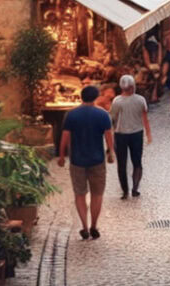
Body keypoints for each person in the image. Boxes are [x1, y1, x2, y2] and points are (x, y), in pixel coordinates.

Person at [58, 85, 114, 240]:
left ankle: (84, 226)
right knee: (97, 194)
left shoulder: (71, 115)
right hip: (97, 159)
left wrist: (62, 156)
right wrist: (111, 152)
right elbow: (109, 136)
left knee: (80, 194)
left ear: (81, 97)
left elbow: (65, 137)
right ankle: (94, 225)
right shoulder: (103, 115)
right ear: (96, 97)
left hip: (77, 160)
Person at [110, 75, 152, 200]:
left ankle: (124, 191)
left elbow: (113, 118)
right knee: (137, 162)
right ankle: (135, 188)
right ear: (133, 86)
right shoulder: (140, 100)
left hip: (120, 134)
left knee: (121, 164)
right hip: (136, 134)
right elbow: (145, 117)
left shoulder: (116, 101)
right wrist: (148, 133)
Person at [143, 35, 162, 103]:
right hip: (146, 71)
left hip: (152, 71)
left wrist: (159, 48)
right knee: (155, 74)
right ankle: (153, 96)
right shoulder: (145, 51)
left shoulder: (155, 52)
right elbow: (148, 64)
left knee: (156, 74)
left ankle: (154, 95)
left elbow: (159, 63)